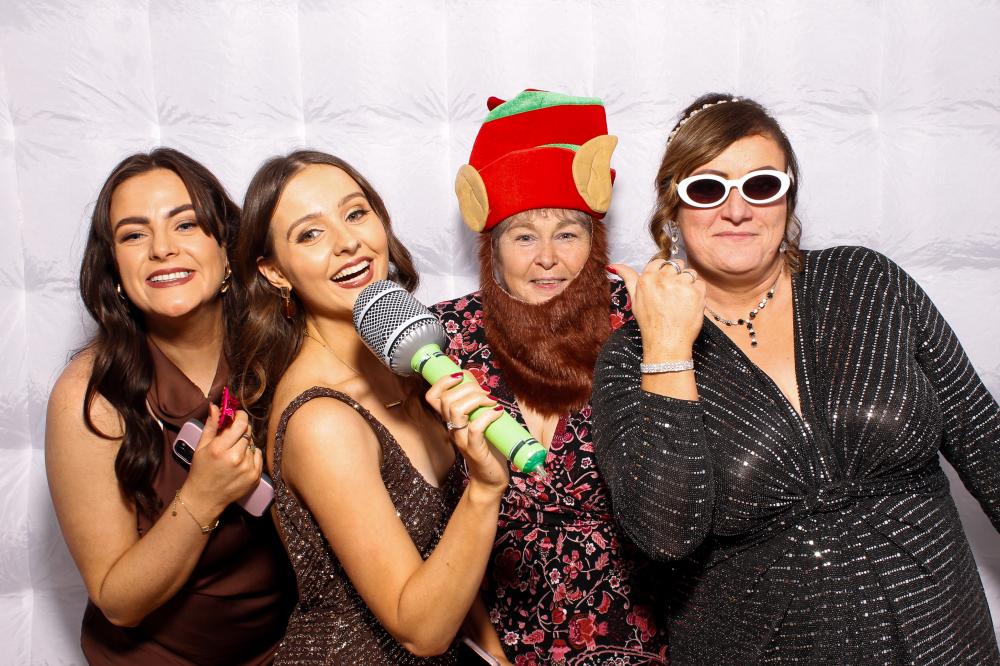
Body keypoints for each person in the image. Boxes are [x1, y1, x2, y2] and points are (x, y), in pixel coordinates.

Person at [592, 93, 1000, 664]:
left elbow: (986, 443)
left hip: (944, 639)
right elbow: (664, 533)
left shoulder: (867, 283)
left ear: (788, 196)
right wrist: (667, 347)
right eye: (707, 189)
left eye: (761, 185)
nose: (737, 211)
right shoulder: (630, 356)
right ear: (672, 207)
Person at [231, 150, 511, 664]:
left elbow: (447, 559)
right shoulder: (322, 421)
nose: (347, 242)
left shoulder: (404, 359)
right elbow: (421, 631)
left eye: (356, 213)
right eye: (310, 234)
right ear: (274, 272)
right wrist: (485, 489)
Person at [433, 90, 669, 665]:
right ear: (492, 248)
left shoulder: (641, 320)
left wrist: (662, 340)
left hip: (637, 641)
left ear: (594, 243)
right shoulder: (444, 340)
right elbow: (424, 520)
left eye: (567, 233)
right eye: (523, 236)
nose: (546, 258)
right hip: (495, 642)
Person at [45, 148, 295, 664]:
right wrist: (203, 495)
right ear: (114, 270)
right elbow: (117, 602)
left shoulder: (283, 348)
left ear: (228, 248)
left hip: (293, 648)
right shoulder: (89, 397)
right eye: (134, 235)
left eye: (185, 224)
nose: (162, 248)